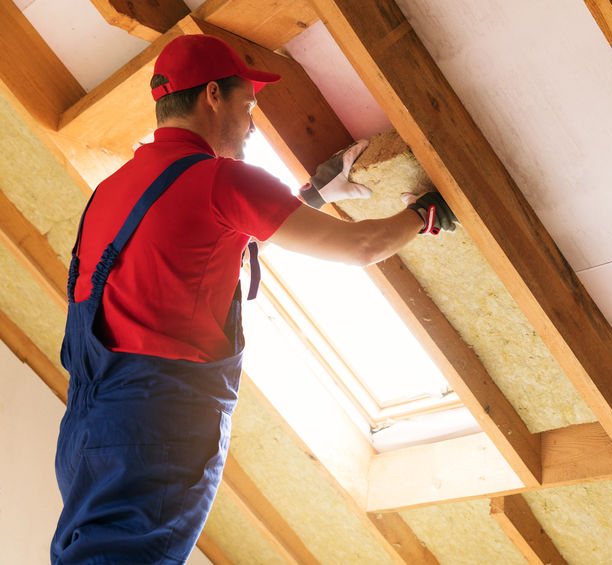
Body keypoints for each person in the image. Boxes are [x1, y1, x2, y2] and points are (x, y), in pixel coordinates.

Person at [51, 33, 456, 564]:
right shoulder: (223, 180)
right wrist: (425, 214)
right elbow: (361, 246)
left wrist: (310, 198)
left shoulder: (112, 189)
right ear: (212, 96)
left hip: (88, 435)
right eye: (249, 105)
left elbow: (198, 247)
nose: (251, 123)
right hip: (159, 428)